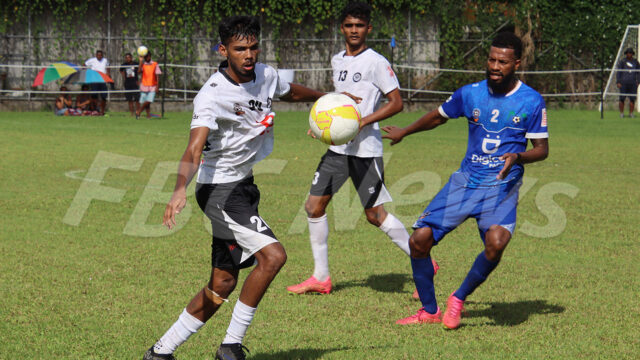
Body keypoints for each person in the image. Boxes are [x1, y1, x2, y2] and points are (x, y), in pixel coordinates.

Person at [142, 15, 328, 360]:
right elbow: (193, 147)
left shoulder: (266, 75)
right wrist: (179, 188)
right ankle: (230, 348)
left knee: (223, 283)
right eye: (240, 48)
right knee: (273, 257)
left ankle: (160, 352)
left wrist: (327, 101)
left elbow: (290, 91)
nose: (248, 54)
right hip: (218, 192)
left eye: (253, 47)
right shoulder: (212, 95)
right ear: (223, 50)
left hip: (243, 186)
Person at [382, 32, 549, 329]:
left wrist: (518, 157)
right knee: (418, 240)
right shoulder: (470, 93)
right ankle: (429, 310)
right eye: (491, 59)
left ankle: (458, 298)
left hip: (501, 185)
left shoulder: (531, 101)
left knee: (496, 244)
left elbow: (541, 150)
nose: (495, 66)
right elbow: (438, 116)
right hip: (466, 182)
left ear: (517, 64)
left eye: (503, 61)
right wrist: (405, 131)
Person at [287, 1, 438, 297]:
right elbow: (337, 102)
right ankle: (321, 277)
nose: (354, 30)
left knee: (375, 215)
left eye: (359, 26)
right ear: (341, 28)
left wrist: (362, 121)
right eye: (349, 25)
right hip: (338, 150)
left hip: (365, 150)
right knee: (313, 206)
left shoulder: (376, 62)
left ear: (368, 29)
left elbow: (396, 103)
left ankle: (422, 262)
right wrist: (323, 126)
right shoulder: (337, 60)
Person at [136, 51, 161, 119]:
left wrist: (157, 86)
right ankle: (148, 115)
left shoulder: (155, 64)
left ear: (150, 56)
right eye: (145, 57)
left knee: (149, 100)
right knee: (146, 102)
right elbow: (138, 72)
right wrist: (140, 62)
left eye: (148, 56)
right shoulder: (143, 64)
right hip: (144, 85)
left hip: (153, 85)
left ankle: (139, 111)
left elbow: (157, 75)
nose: (147, 58)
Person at [616, 47, 640, 118]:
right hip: (623, 83)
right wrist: (618, 82)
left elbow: (638, 72)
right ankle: (621, 113)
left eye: (630, 53)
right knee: (622, 98)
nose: (629, 54)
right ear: (626, 54)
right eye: (628, 53)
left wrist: (638, 81)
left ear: (632, 54)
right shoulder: (622, 62)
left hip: (632, 83)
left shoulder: (636, 62)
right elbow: (619, 72)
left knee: (632, 99)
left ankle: (631, 113)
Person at [85, 50, 110, 114]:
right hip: (94, 79)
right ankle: (95, 110)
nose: (99, 56)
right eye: (98, 55)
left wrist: (108, 74)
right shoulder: (92, 60)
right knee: (94, 95)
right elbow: (84, 65)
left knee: (104, 96)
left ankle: (102, 111)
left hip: (102, 79)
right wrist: (88, 73)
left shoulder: (105, 60)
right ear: (96, 55)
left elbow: (108, 67)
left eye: (101, 55)